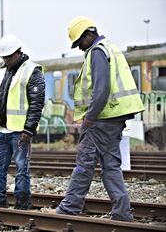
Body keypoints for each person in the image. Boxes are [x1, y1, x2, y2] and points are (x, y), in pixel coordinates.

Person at [52, 16, 144, 221]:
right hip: (114, 117)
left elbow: (101, 89)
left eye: (79, 42)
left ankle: (69, 208)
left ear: (88, 34)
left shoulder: (97, 52)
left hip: (102, 118)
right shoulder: (110, 47)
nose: (78, 48)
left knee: (84, 162)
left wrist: (89, 119)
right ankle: (122, 214)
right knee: (111, 165)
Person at [0, 34, 45, 210]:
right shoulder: (0, 72)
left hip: (20, 132)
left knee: (21, 171)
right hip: (0, 131)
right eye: (4, 57)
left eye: (9, 56)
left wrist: (28, 130)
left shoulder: (33, 71)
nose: (6, 60)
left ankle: (22, 205)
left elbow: (36, 104)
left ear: (18, 52)